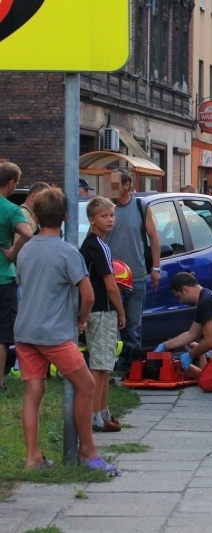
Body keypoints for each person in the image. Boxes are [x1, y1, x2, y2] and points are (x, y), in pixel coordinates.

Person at [14, 187, 118, 474]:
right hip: (54, 333)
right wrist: (81, 320)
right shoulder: (68, 252)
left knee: (33, 391)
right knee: (86, 385)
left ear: (34, 217)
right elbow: (88, 295)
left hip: (24, 331)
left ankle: (32, 457)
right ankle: (88, 451)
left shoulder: (25, 250)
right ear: (65, 216)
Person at [80, 197, 126, 433]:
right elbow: (110, 284)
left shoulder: (92, 244)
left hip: (94, 310)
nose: (110, 220)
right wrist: (121, 310)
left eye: (112, 215)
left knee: (105, 365)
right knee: (100, 366)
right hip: (102, 309)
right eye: (104, 216)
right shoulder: (97, 245)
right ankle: (95, 416)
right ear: (92, 220)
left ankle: (103, 411)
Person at [105, 169, 161, 349]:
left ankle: (129, 368)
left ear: (126, 185)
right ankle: (112, 368)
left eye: (113, 183)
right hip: (108, 277)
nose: (108, 187)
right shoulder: (104, 208)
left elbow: (154, 238)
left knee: (133, 327)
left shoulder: (141, 207)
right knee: (109, 327)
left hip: (135, 276)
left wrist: (156, 268)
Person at [0, 162, 33, 392]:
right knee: (2, 334)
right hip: (3, 279)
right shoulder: (9, 209)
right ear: (11, 183)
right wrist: (12, 252)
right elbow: (28, 233)